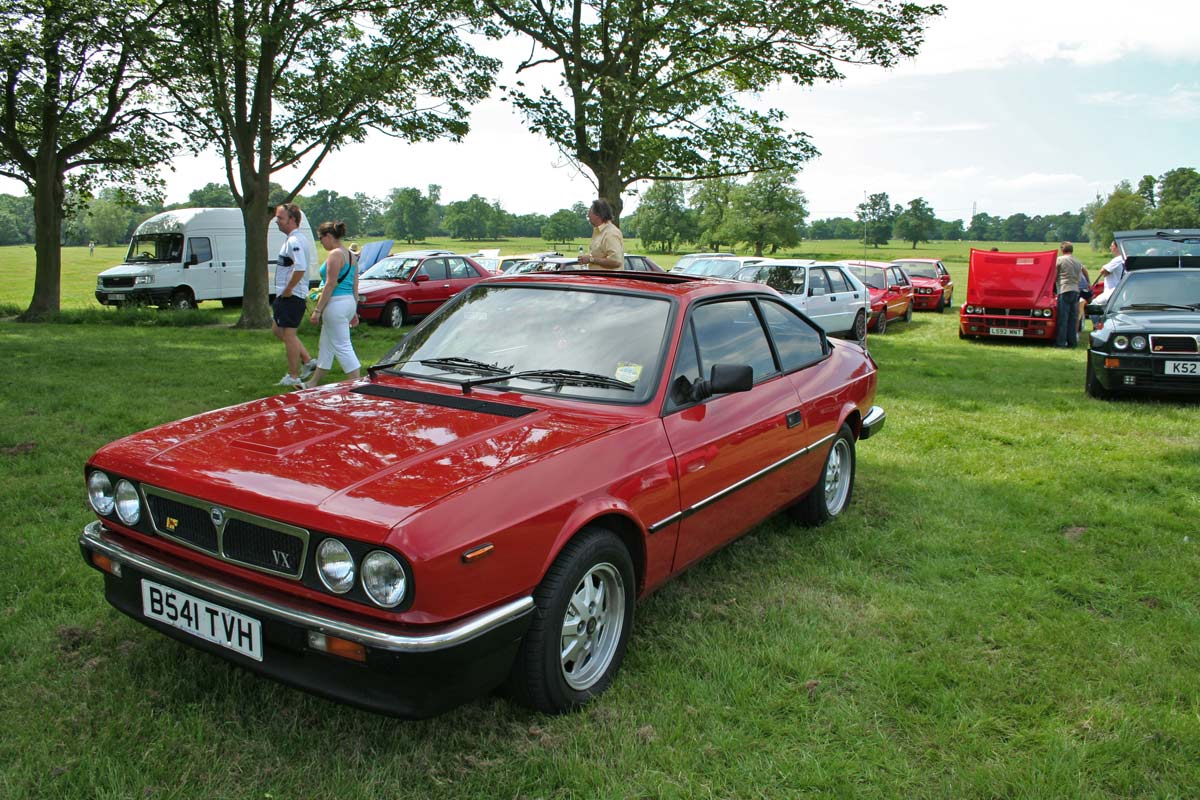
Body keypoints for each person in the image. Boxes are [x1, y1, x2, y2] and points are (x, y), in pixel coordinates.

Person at [305, 221, 361, 388]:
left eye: (321, 238)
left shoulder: (335, 255)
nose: (320, 242)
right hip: (348, 303)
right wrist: (354, 310)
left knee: (342, 346)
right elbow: (355, 285)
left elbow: (330, 284)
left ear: (329, 236)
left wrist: (317, 310)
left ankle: (357, 383)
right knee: (326, 345)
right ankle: (312, 382)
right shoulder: (351, 255)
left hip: (335, 304)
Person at [272, 203, 317, 387]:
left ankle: (293, 376)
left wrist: (289, 289)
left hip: (291, 296)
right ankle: (307, 360)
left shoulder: (294, 241)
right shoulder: (293, 239)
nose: (277, 221)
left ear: (292, 220)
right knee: (277, 329)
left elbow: (300, 267)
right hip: (287, 296)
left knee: (289, 335)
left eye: (280, 218)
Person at [578, 198, 624, 269]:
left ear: (598, 215)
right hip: (599, 279)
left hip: (608, 279)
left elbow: (616, 261)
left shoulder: (611, 233)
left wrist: (591, 259)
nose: (588, 216)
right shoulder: (598, 231)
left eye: (590, 213)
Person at [1054, 241, 1084, 348]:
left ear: (1062, 250)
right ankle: (1072, 343)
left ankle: (1061, 343)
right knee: (1073, 319)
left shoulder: (1060, 259)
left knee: (1063, 318)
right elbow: (1080, 278)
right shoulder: (1078, 261)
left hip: (1064, 289)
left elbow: (1054, 275)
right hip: (1075, 290)